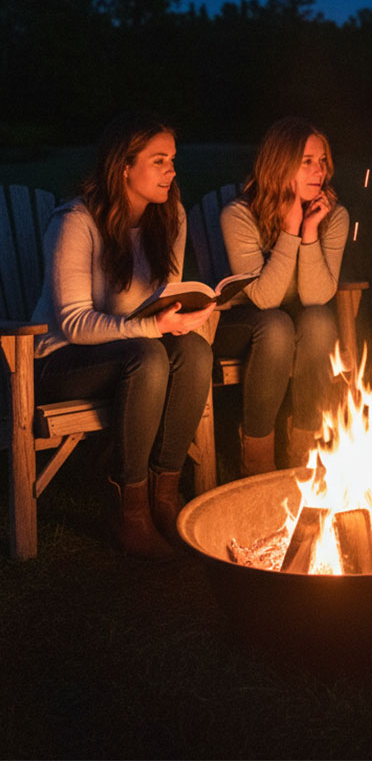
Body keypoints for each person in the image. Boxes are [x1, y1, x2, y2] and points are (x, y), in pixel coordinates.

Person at [32, 114, 215, 562]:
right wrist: (153, 328)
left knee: (192, 350)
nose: (172, 170)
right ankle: (128, 510)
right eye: (159, 161)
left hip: (132, 347)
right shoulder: (75, 221)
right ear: (124, 168)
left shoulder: (168, 215)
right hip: (60, 361)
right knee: (149, 357)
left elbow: (164, 294)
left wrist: (189, 314)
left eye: (173, 159)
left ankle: (164, 496)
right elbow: (73, 322)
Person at [218, 117, 349, 476]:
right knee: (276, 325)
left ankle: (303, 448)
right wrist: (290, 228)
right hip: (245, 324)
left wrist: (309, 231)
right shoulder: (239, 215)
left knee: (321, 320)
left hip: (299, 319)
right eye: (306, 161)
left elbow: (317, 296)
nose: (318, 171)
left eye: (322, 161)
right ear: (279, 163)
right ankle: (257, 456)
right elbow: (264, 299)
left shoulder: (332, 217)